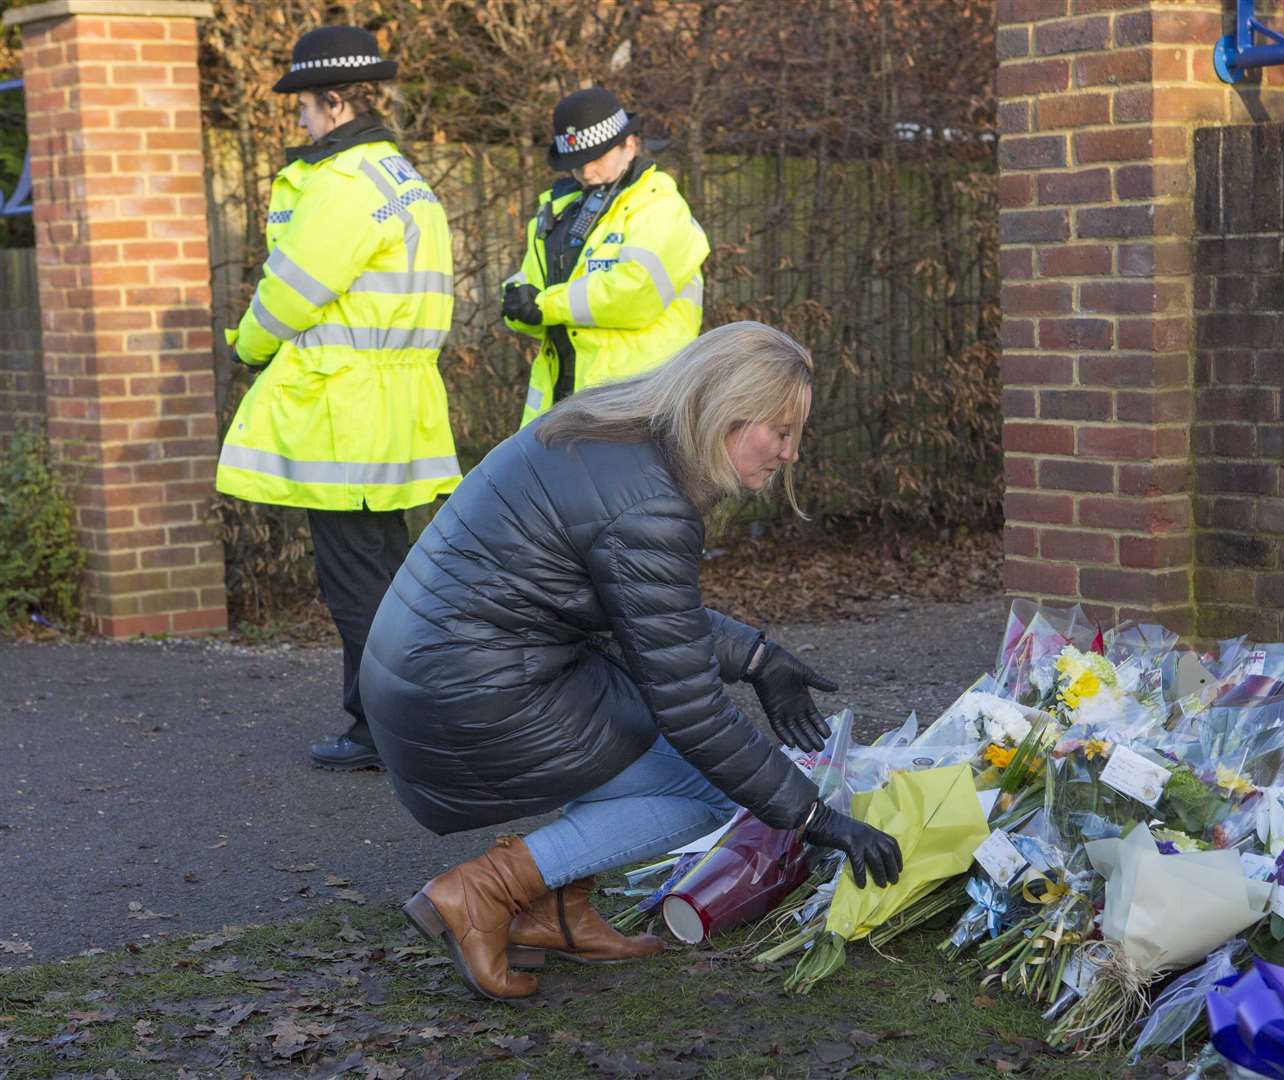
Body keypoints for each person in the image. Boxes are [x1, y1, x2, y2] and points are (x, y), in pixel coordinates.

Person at [359, 322, 902, 1001]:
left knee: (659, 737)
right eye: (781, 431)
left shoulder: (614, 434)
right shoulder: (650, 502)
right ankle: (485, 891)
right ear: (727, 414)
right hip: (468, 696)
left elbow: (643, 618)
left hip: (439, 674)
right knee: (702, 794)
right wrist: (816, 818)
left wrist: (758, 657)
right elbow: (694, 711)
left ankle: (558, 911)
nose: (789, 453)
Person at [217, 26, 460, 771]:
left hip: (343, 412)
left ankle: (388, 732)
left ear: (333, 100)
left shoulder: (344, 185)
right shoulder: (400, 176)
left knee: (357, 586)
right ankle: (393, 721)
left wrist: (247, 346)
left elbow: (290, 294)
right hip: (394, 406)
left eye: (304, 107)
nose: (299, 121)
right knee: (390, 575)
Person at [501, 86, 708, 427]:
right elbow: (529, 284)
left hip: (637, 407)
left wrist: (543, 306)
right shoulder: (559, 209)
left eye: (595, 158)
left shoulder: (660, 208)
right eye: (576, 164)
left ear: (630, 145)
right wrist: (518, 306)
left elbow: (635, 294)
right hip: (561, 409)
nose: (586, 173)